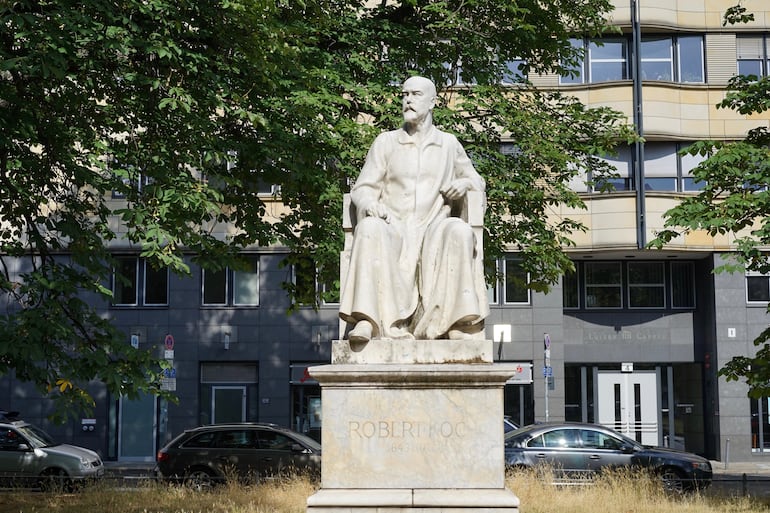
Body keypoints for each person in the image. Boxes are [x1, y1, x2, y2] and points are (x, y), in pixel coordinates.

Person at [339, 76, 489, 343]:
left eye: (416, 94)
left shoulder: (448, 144)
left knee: (459, 231)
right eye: (404, 94)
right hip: (392, 228)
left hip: (433, 228)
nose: (408, 99)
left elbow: (477, 181)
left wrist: (464, 183)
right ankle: (367, 321)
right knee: (369, 227)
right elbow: (362, 188)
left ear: (432, 102)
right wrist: (370, 203)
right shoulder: (385, 142)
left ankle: (455, 322)